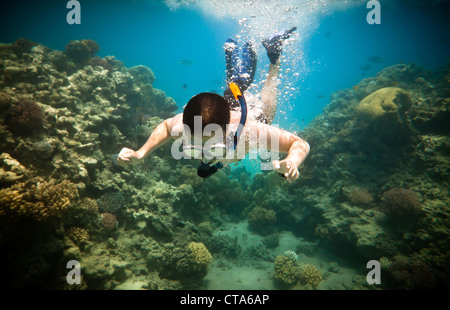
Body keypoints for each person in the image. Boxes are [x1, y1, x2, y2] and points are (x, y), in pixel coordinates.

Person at [117, 27, 310, 183]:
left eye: (212, 145)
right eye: (193, 146)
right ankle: (236, 58)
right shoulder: (182, 126)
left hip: (248, 113)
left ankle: (273, 57)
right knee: (233, 89)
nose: (204, 152)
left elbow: (299, 144)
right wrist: (140, 153)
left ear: (228, 130)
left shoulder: (249, 131)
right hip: (224, 107)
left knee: (267, 112)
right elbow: (166, 127)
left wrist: (292, 161)